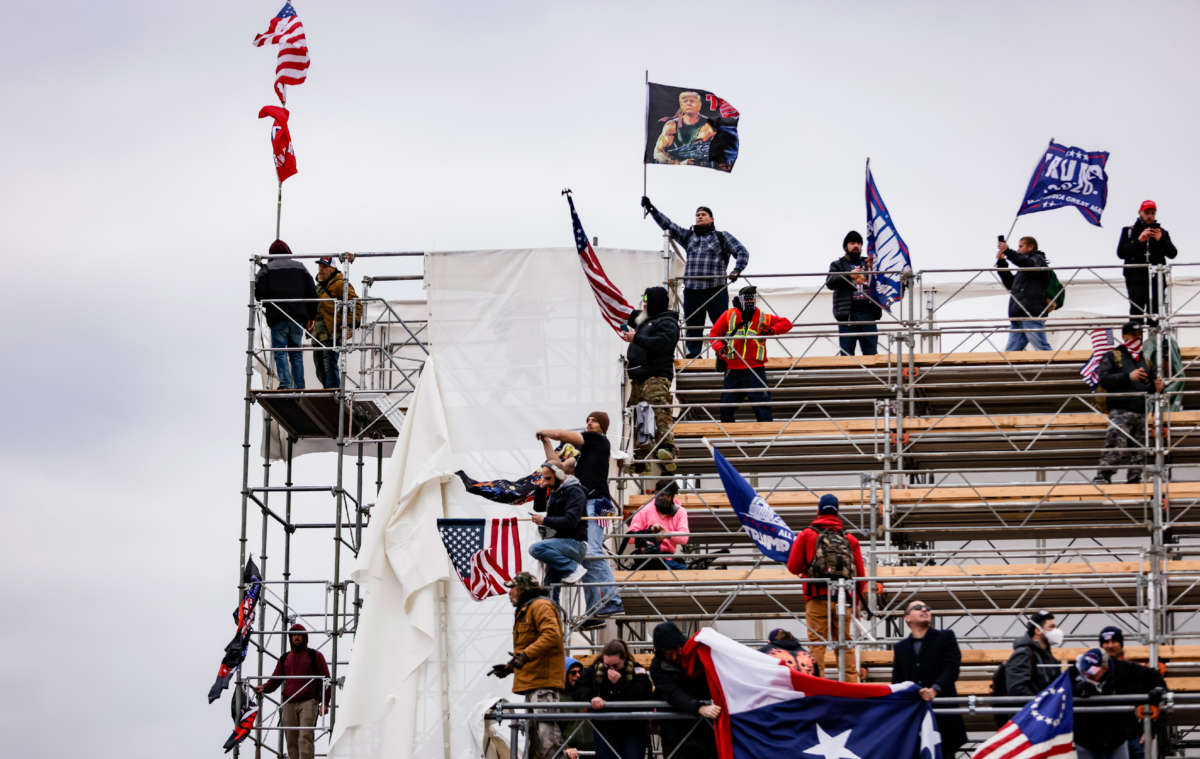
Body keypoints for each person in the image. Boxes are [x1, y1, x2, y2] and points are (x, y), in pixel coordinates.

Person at [539, 413, 623, 623]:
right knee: (588, 553)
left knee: (592, 551)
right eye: (587, 420)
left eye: (593, 420)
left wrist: (548, 432)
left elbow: (564, 435)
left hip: (598, 503)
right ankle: (596, 608)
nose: (589, 423)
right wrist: (546, 442)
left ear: (602, 426)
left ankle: (612, 601)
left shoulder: (598, 440)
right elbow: (555, 466)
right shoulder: (584, 456)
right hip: (595, 503)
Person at [641, 197, 749, 358]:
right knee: (693, 325)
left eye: (704, 214)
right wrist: (651, 209)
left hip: (716, 289)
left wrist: (737, 270)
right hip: (693, 290)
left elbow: (741, 251)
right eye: (697, 214)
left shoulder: (721, 236)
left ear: (712, 219)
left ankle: (726, 353)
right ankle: (694, 355)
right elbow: (669, 225)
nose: (699, 216)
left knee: (722, 325)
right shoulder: (689, 236)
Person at [785, 494, 867, 682]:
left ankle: (817, 685)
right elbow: (860, 575)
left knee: (817, 644)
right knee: (845, 644)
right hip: (842, 600)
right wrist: (855, 602)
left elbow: (793, 567)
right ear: (838, 512)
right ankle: (851, 687)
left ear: (818, 511)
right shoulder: (849, 539)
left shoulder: (807, 535)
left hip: (816, 598)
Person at [487, 572, 566, 759]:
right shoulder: (531, 608)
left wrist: (522, 657)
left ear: (523, 589)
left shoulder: (540, 606)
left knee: (547, 740)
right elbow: (531, 648)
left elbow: (551, 636)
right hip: (535, 684)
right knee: (536, 744)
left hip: (543, 685)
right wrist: (510, 667)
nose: (509, 593)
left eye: (512, 588)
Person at [890, 600, 967, 757]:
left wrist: (935, 689)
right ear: (907, 618)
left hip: (943, 715)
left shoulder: (945, 637)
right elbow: (897, 680)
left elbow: (952, 667)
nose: (924, 609)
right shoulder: (901, 647)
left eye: (927, 608)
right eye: (918, 608)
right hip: (915, 719)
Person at [709, 285, 793, 422]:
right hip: (734, 369)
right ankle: (729, 438)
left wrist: (772, 330)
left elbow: (787, 323)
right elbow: (714, 334)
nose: (749, 302)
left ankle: (766, 438)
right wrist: (719, 349)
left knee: (762, 408)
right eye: (747, 299)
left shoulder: (762, 317)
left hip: (754, 369)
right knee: (725, 408)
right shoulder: (729, 315)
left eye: (752, 299)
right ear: (740, 299)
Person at [1094, 323, 1163, 485]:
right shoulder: (1113, 356)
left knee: (1138, 448)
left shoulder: (1144, 360)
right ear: (1124, 336)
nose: (1137, 337)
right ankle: (1104, 475)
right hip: (1120, 409)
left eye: (1139, 334)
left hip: (1140, 410)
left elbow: (1150, 386)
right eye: (1133, 334)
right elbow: (1104, 379)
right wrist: (1127, 376)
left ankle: (1134, 477)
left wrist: (1157, 387)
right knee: (1116, 443)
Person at [619, 286, 681, 470]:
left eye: (647, 301)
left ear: (656, 302)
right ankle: (641, 456)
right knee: (637, 413)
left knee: (658, 405)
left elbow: (663, 343)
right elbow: (625, 313)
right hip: (638, 376)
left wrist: (636, 339)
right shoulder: (644, 319)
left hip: (656, 374)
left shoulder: (667, 322)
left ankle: (668, 448)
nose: (644, 304)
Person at [253, 623, 331, 759]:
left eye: (299, 635)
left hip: (309, 701)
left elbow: (327, 681)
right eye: (293, 635)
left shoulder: (315, 656)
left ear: (304, 637)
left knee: (305, 736)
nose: (296, 637)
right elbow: (276, 679)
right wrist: (265, 687)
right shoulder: (285, 658)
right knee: (291, 739)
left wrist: (325, 703)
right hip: (289, 702)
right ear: (290, 638)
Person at [649, 622, 721, 759]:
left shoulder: (698, 653)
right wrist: (699, 707)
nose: (675, 657)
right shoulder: (657, 667)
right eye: (669, 654)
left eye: (677, 650)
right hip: (674, 727)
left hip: (705, 726)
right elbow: (672, 693)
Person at [1099, 626, 1169, 759]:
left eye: (1114, 641)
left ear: (1121, 644)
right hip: (1105, 738)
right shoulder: (1094, 674)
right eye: (1106, 643)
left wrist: (1151, 730)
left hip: (1134, 734)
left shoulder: (1135, 671)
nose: (1110, 646)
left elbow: (1160, 688)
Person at [255, 239, 317, 389]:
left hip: (278, 317)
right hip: (298, 318)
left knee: (280, 351)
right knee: (295, 353)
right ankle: (300, 386)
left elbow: (258, 294)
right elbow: (312, 293)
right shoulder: (301, 268)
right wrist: (311, 316)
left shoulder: (267, 269)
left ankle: (285, 384)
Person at [577, 639, 653, 759]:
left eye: (616, 666)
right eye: (607, 665)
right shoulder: (596, 669)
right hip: (605, 728)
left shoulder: (636, 670)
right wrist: (592, 697)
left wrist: (621, 683)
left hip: (632, 729)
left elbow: (644, 693)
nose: (611, 670)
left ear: (624, 659)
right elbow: (579, 688)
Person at [529, 461, 589, 596]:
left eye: (548, 478)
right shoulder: (557, 491)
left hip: (575, 543)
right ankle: (554, 615)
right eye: (544, 478)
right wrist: (541, 488)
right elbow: (539, 507)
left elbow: (570, 521)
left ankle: (573, 569)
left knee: (536, 548)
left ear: (561, 475)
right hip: (560, 545)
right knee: (549, 589)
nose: (546, 482)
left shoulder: (574, 491)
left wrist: (544, 520)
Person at [998, 610, 1063, 728]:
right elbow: (1017, 689)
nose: (1056, 631)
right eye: (1051, 627)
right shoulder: (1023, 654)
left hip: (1043, 719)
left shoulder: (1047, 656)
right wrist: (1043, 705)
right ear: (1038, 630)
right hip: (1029, 722)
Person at [1118, 200, 1177, 325]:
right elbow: (1121, 253)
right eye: (1146, 212)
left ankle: (1155, 343)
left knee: (1156, 312)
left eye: (1152, 213)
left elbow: (1173, 253)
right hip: (1135, 279)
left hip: (1156, 279)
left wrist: (1161, 240)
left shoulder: (1162, 232)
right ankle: (1135, 342)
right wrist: (1139, 240)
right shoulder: (1128, 231)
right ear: (1140, 213)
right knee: (1136, 312)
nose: (1150, 216)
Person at [827, 231, 883, 356]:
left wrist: (874, 268)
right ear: (846, 246)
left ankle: (871, 376)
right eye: (852, 243)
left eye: (858, 243)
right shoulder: (838, 265)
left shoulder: (869, 263)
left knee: (871, 354)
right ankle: (848, 376)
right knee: (847, 355)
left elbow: (881, 282)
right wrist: (849, 276)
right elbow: (830, 282)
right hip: (848, 315)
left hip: (868, 314)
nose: (856, 246)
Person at [314, 255, 363, 389]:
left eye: (324, 267)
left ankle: (333, 394)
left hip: (332, 333)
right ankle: (329, 392)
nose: (321, 269)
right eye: (320, 266)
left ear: (332, 268)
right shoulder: (317, 287)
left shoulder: (341, 284)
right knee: (320, 369)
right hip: (317, 334)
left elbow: (357, 304)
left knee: (329, 366)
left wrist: (349, 325)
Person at [996, 236, 1051, 351]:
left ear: (1030, 247)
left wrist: (1007, 251)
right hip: (1019, 313)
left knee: (1041, 348)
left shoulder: (1037, 260)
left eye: (1021, 246)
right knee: (1011, 352)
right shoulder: (1023, 270)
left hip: (1030, 313)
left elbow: (1026, 264)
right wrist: (1002, 262)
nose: (1018, 250)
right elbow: (1010, 284)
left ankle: (1052, 366)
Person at [627, 479, 690, 569]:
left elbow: (684, 538)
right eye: (658, 494)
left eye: (665, 495)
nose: (660, 498)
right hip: (646, 558)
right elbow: (630, 538)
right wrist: (651, 534)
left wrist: (667, 534)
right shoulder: (644, 509)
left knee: (684, 574)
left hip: (668, 559)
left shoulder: (680, 512)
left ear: (672, 496)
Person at [653, 90, 716, 166]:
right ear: (681, 105)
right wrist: (679, 163)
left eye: (692, 101)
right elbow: (658, 153)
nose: (688, 103)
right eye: (685, 101)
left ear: (699, 105)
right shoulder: (671, 125)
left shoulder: (709, 125)